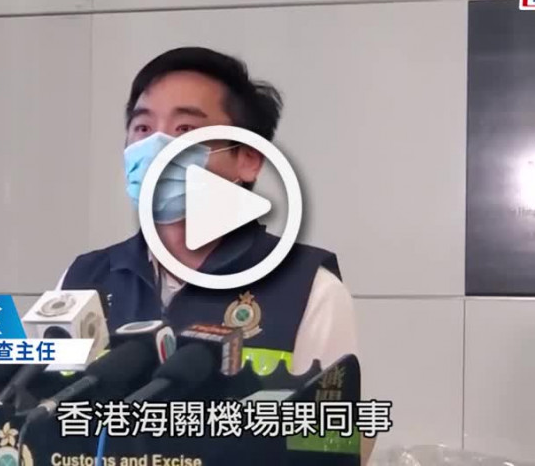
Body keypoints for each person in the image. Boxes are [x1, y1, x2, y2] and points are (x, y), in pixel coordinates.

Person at [58, 47, 373, 463]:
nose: (156, 147)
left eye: (186, 128)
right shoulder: (85, 278)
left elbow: (332, 448)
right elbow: (37, 421)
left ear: (248, 159)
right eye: (142, 127)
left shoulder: (306, 287)